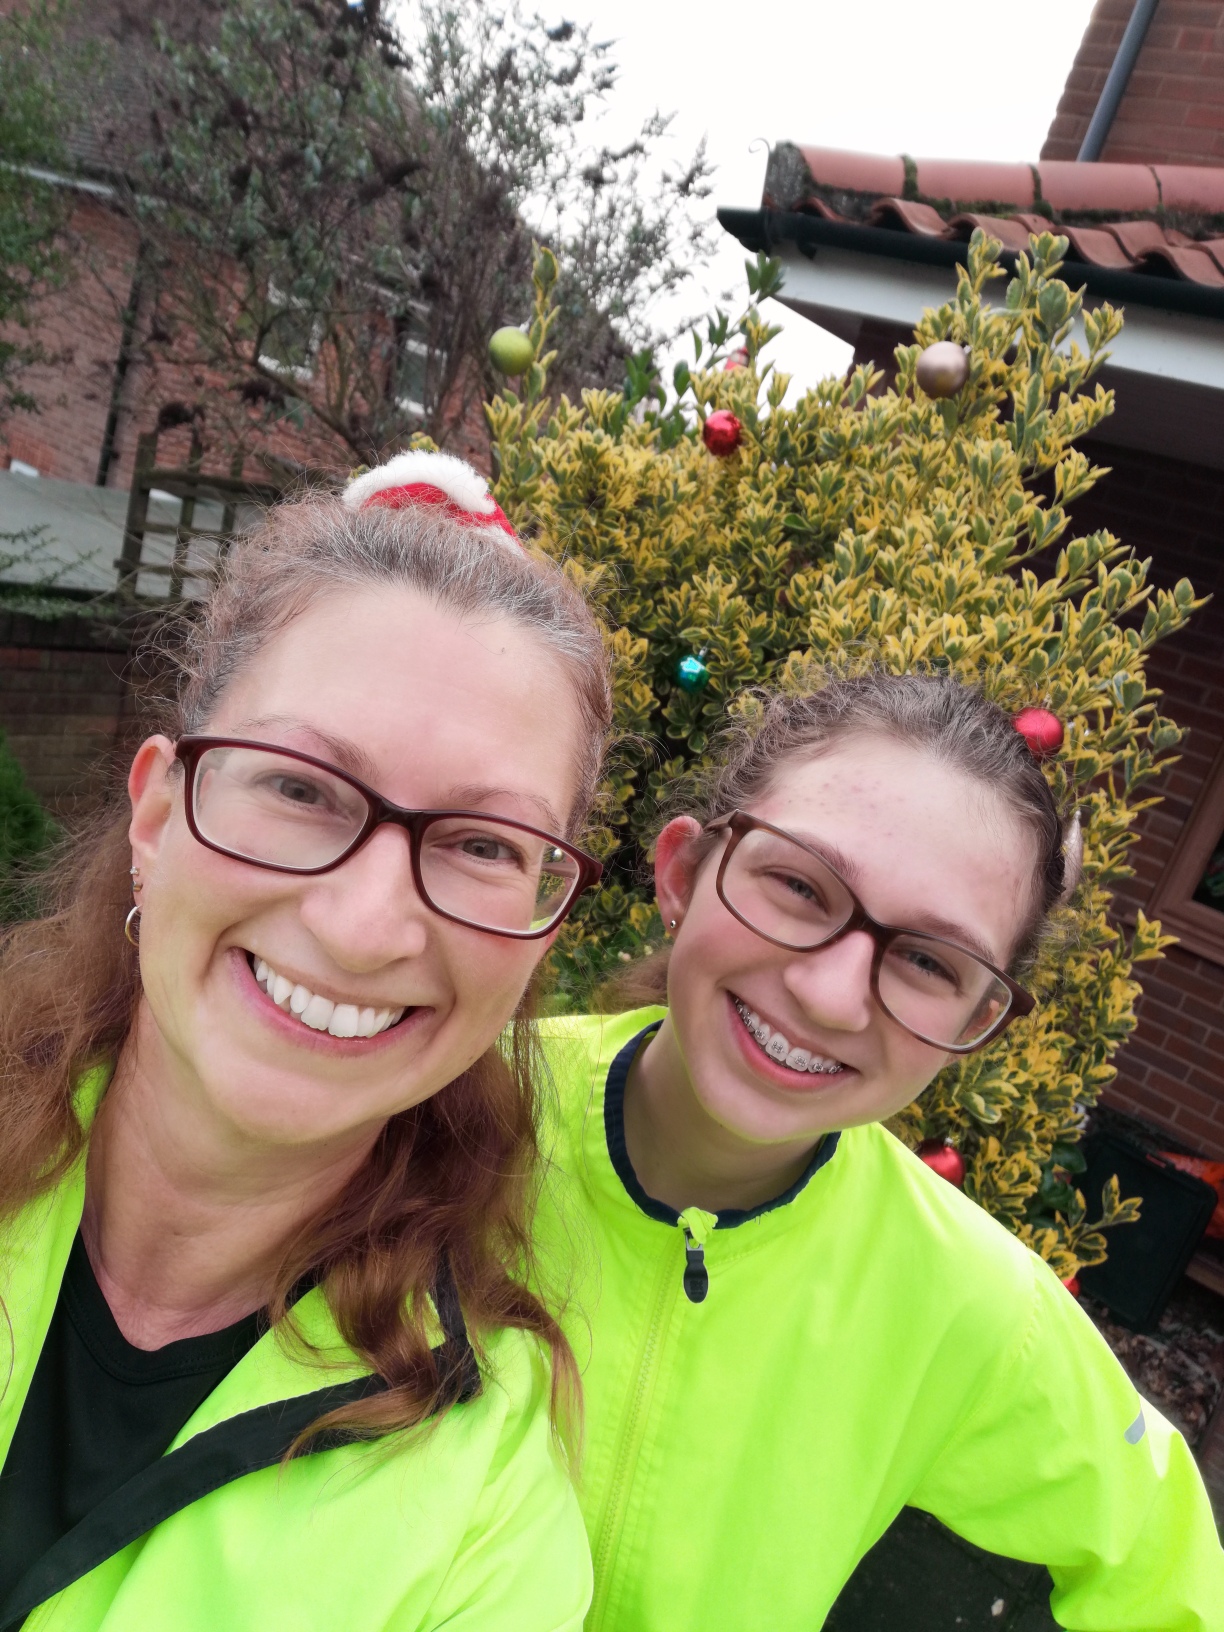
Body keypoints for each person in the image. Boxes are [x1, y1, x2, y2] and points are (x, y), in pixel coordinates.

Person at [0, 451, 612, 1631]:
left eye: (482, 845)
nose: (363, 926)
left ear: (543, 930)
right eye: (300, 788)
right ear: (157, 814)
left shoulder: (483, 1519)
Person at [535, 672, 1224, 1632]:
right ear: (683, 874)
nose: (830, 994)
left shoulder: (974, 1307)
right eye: (798, 886)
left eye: (929, 960)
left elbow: (1168, 1572)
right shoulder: (447, 1119)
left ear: (975, 1025)